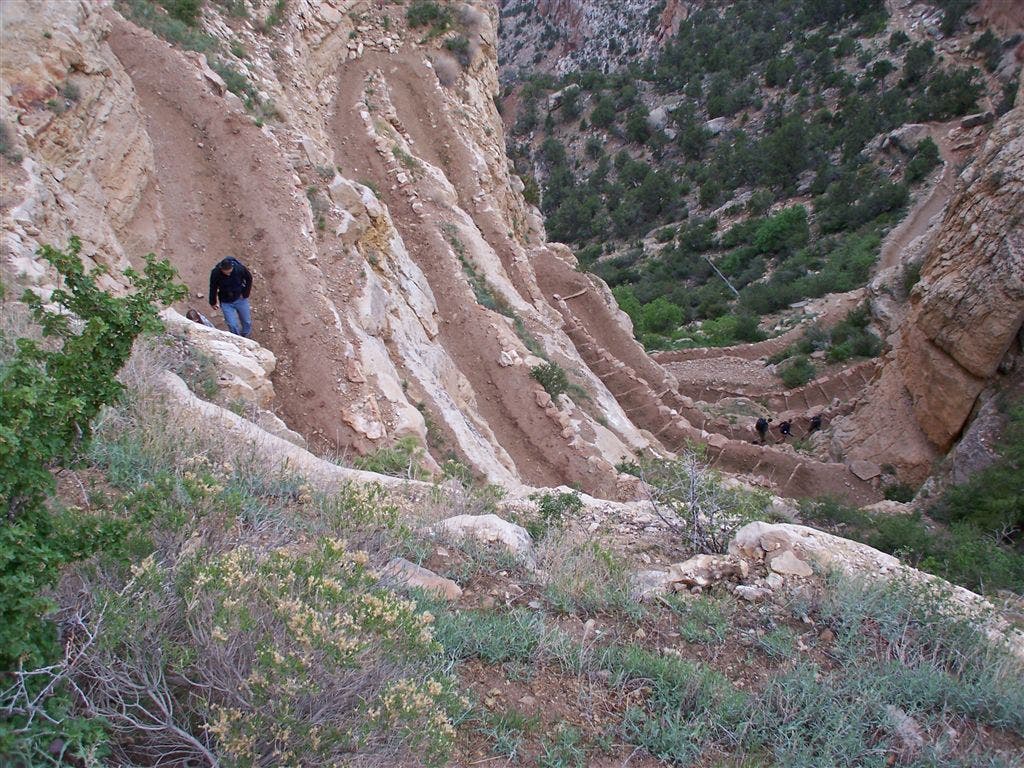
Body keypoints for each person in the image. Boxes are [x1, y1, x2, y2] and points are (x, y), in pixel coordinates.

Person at [209, 257, 253, 337]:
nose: (228, 274)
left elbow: (249, 278)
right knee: (232, 324)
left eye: (230, 272)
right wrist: (213, 301)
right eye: (226, 272)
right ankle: (237, 338)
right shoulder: (215, 273)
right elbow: (213, 287)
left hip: (240, 299)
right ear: (221, 269)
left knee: (246, 321)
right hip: (226, 302)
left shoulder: (239, 269)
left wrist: (245, 293)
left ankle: (246, 335)